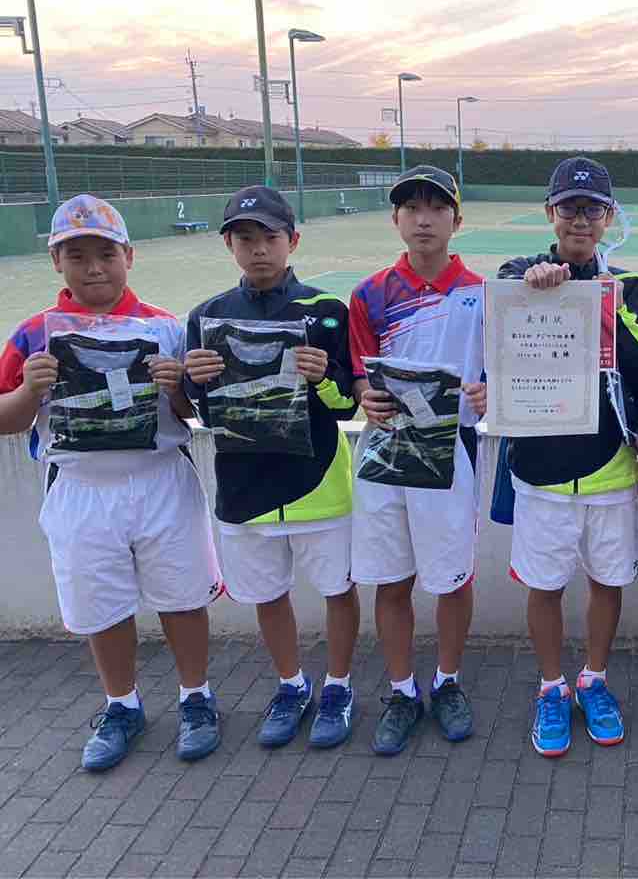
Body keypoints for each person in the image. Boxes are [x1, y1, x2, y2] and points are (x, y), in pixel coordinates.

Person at [0, 195, 222, 771]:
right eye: (77, 256)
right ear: (56, 261)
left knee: (183, 597)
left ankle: (196, 698)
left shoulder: (167, 328)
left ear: (129, 255)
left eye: (105, 254)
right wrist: (27, 391)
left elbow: (196, 414)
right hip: (80, 488)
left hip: (161, 480)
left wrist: (177, 387)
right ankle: (121, 705)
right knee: (100, 606)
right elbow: (7, 419)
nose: (94, 268)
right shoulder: (33, 335)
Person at [184, 186, 360, 750]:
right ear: (230, 246)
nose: (258, 249)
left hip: (318, 483)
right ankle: (291, 686)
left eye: (270, 237)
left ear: (293, 241)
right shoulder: (206, 316)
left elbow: (348, 405)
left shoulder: (328, 310)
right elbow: (203, 412)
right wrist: (194, 380)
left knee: (338, 589)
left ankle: (338, 687)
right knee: (267, 594)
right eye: (245, 239)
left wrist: (322, 377)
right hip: (244, 488)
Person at [498, 156, 638, 758]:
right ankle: (550, 687)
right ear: (551, 213)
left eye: (593, 209)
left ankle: (593, 679)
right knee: (544, 584)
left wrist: (603, 303)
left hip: (611, 466)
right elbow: (500, 319)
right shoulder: (518, 273)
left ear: (608, 217)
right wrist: (534, 280)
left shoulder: (630, 287)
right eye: (570, 208)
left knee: (607, 581)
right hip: (539, 470)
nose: (581, 219)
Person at [348, 165, 486, 755]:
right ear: (396, 219)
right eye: (411, 208)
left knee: (452, 579)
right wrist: (365, 395)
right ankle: (402, 691)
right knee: (392, 579)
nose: (423, 219)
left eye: (436, 208)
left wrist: (488, 395)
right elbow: (359, 376)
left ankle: (447, 682)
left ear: (457, 219)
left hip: (451, 455)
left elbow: (504, 375)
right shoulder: (368, 294)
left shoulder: (483, 294)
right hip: (385, 455)